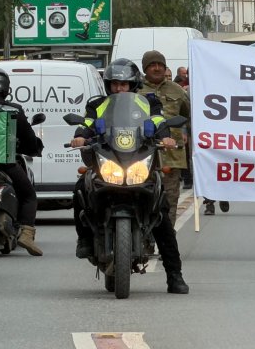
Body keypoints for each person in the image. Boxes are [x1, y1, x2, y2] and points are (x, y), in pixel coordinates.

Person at [70, 58, 189, 294]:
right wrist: (80, 136)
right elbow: (86, 123)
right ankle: (84, 239)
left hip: (137, 158)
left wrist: (166, 137)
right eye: (115, 84)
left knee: (162, 215)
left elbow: (159, 123)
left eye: (124, 85)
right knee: (80, 189)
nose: (119, 89)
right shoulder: (98, 104)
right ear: (108, 85)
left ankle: (175, 275)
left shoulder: (149, 103)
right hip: (109, 158)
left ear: (133, 85)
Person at [0, 67, 44, 256]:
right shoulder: (14, 110)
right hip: (5, 164)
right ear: (6, 89)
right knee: (29, 195)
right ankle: (27, 233)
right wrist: (34, 148)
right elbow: (29, 140)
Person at [140, 51, 191, 226]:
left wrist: (187, 132)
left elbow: (188, 116)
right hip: (141, 157)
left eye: (160, 65)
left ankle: (166, 246)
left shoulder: (176, 90)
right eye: (152, 65)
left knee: (169, 202)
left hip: (171, 157)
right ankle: (142, 240)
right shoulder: (136, 89)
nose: (156, 68)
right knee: (142, 201)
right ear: (145, 68)